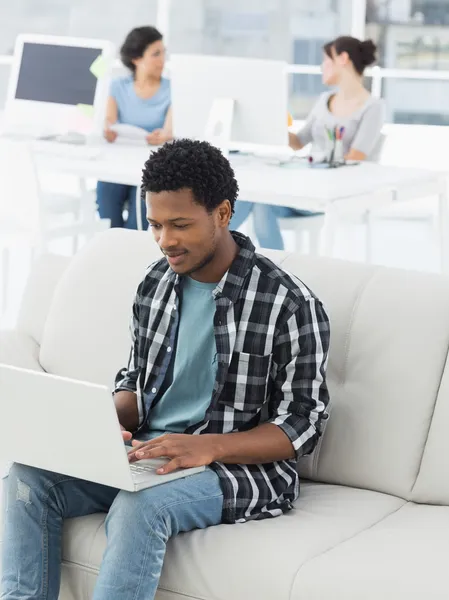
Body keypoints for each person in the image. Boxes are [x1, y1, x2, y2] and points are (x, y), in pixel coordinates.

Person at [1, 139, 330, 600]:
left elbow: (303, 426)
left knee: (140, 507)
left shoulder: (289, 303)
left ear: (222, 213)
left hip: (239, 469)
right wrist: (103, 421)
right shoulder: (155, 285)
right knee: (26, 479)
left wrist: (207, 446)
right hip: (151, 451)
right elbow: (137, 382)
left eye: (180, 224)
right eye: (155, 224)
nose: (165, 240)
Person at [232, 36, 385, 250]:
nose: (322, 66)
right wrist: (272, 119)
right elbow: (298, 142)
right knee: (254, 197)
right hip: (305, 183)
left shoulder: (372, 107)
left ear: (343, 59)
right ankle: (223, 247)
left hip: (334, 192)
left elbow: (356, 158)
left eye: (326, 60)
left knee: (258, 198)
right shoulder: (324, 100)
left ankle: (211, 245)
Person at [96, 26, 172, 229]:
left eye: (164, 53)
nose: (162, 59)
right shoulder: (117, 86)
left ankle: (130, 257)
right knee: (107, 199)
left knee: (137, 220)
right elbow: (109, 122)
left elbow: (169, 132)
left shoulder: (172, 90)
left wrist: (164, 136)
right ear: (136, 59)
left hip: (151, 169)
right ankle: (109, 254)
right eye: (156, 54)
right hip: (118, 163)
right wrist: (108, 130)